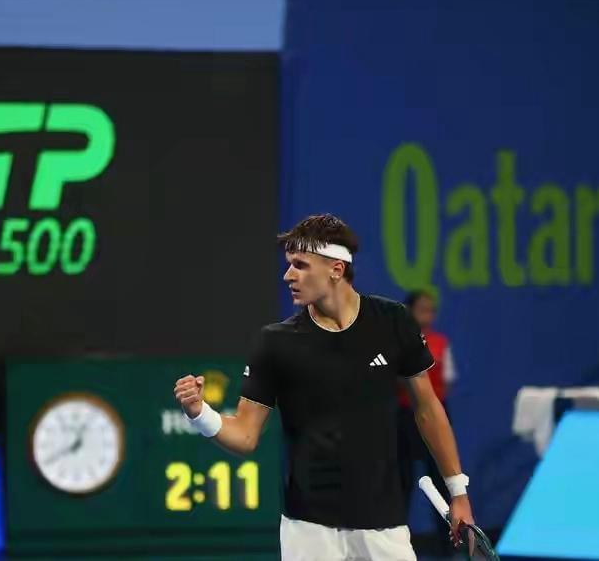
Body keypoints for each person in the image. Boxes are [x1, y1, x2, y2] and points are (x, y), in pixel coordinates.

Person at [173, 214, 475, 561]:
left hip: (384, 525)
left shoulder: (393, 321)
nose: (288, 275)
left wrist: (458, 492)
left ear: (336, 269)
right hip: (308, 529)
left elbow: (428, 409)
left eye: (300, 265)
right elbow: (244, 435)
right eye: (289, 265)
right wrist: (199, 413)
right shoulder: (275, 342)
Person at [396, 290, 458, 550]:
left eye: (431, 310)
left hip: (435, 416)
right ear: (409, 311)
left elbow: (448, 381)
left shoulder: (441, 343)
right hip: (405, 418)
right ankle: (397, 543)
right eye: (422, 309)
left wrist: (432, 408)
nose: (428, 315)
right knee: (402, 482)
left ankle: (449, 544)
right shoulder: (398, 343)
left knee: (443, 480)